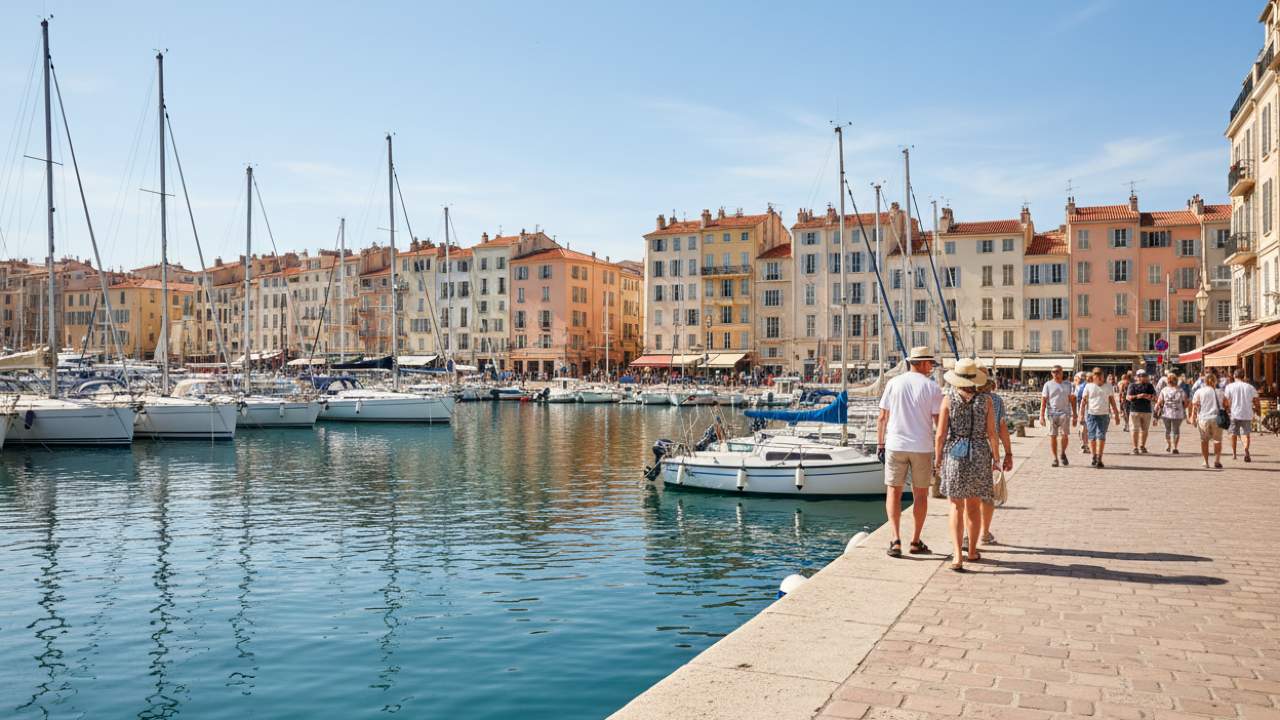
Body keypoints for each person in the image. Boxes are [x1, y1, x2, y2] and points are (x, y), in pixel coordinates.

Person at [934, 358, 1001, 572]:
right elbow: (993, 433)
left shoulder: (948, 400)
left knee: (956, 505)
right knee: (974, 506)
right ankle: (972, 551)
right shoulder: (987, 401)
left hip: (955, 453)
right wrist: (997, 459)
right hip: (980, 454)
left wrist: (937, 459)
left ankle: (956, 556)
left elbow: (941, 435)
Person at [876, 346, 942, 558]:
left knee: (893, 492)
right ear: (922, 363)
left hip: (896, 445)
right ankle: (915, 541)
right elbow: (938, 423)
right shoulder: (933, 388)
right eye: (930, 362)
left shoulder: (893, 383)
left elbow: (882, 417)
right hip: (922, 447)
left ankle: (895, 540)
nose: (931, 366)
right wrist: (941, 450)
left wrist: (880, 444)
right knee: (920, 494)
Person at [975, 367, 1013, 547]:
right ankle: (983, 532)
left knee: (969, 494)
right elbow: (1001, 426)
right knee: (987, 495)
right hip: (989, 451)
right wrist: (1007, 454)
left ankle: (969, 533)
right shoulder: (995, 400)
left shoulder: (963, 398)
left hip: (967, 452)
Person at [1082, 367, 1122, 468]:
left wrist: (1116, 414)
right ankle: (1094, 456)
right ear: (1093, 376)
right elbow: (1084, 401)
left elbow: (1112, 401)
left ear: (1103, 375)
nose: (1098, 376)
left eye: (1100, 374)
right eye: (1096, 374)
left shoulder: (1108, 387)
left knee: (1101, 436)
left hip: (1104, 415)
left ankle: (1099, 457)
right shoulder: (1088, 387)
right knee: (1092, 436)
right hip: (1091, 414)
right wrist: (1081, 414)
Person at [1039, 365, 1077, 467]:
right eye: (1054, 372)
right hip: (1052, 413)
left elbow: (1073, 399)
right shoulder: (1048, 385)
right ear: (1051, 373)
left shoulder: (1068, 385)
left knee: (1065, 435)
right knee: (1053, 435)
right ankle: (1055, 458)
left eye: (1058, 372)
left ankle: (1063, 452)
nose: (1056, 374)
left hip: (1065, 413)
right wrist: (1041, 415)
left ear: (1062, 372)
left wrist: (1075, 414)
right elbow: (1044, 400)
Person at [1191, 372, 1230, 469]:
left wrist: (1193, 417)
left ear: (1205, 381)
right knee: (1217, 440)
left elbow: (1195, 406)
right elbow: (1226, 405)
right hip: (1217, 419)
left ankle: (1206, 462)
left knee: (1204, 441)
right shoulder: (1220, 392)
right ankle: (1217, 461)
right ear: (1215, 381)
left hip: (1203, 419)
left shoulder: (1199, 392)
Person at [1223, 368, 1261, 462]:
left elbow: (1225, 400)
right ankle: (1246, 450)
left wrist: (1227, 409)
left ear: (1234, 377)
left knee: (1233, 433)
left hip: (1234, 412)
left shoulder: (1229, 387)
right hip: (1247, 413)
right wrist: (1257, 409)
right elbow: (1256, 400)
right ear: (1244, 377)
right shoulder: (1250, 387)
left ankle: (1234, 453)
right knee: (1246, 434)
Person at [1154, 371, 1187, 454]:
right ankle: (1175, 447)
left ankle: (1169, 445)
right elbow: (1186, 402)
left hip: (1166, 413)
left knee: (1167, 430)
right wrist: (1183, 409)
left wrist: (1156, 411)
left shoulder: (1164, 390)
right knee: (1176, 431)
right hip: (1177, 413)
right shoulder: (1181, 391)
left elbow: (1159, 402)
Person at [1126, 369, 1157, 454]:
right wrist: (1138, 396)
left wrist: (1146, 396)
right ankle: (1135, 447)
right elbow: (1128, 398)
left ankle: (1142, 446)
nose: (1142, 378)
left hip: (1146, 410)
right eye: (1141, 376)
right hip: (1135, 410)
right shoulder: (1132, 386)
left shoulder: (1149, 386)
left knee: (1145, 430)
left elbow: (1155, 399)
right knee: (1135, 429)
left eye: (1144, 376)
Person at [1075, 371, 1090, 454]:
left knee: (1083, 426)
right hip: (1086, 409)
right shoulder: (1089, 387)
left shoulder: (1079, 387)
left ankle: (1084, 443)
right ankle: (1085, 444)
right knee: (1085, 427)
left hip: (1080, 408)